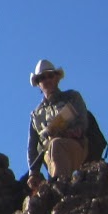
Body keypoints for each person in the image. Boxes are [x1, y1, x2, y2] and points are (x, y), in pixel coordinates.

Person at [26, 60, 91, 195]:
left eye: (50, 75)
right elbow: (32, 147)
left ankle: (59, 191)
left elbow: (83, 124)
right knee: (54, 146)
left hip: (76, 147)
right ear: (38, 83)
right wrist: (33, 173)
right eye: (42, 77)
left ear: (57, 78)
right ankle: (58, 190)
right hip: (49, 156)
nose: (47, 80)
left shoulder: (72, 97)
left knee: (56, 144)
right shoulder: (35, 115)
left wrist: (64, 133)